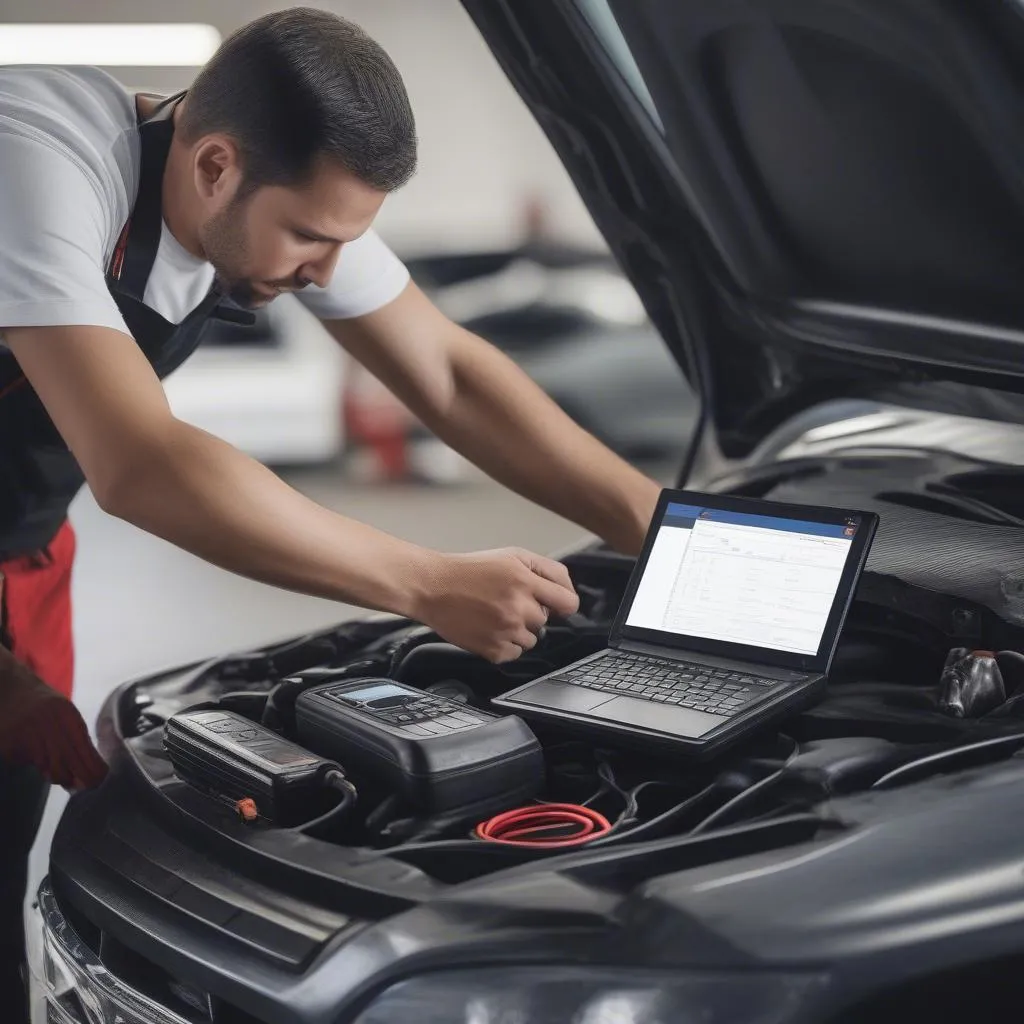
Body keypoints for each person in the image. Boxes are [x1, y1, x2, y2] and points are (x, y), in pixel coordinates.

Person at [0, 8, 662, 1015]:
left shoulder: (273, 193)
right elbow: (141, 461)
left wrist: (661, 524)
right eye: (309, 236)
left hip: (21, 551)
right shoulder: (34, 158)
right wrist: (425, 579)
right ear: (215, 164)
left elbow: (446, 374)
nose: (324, 267)